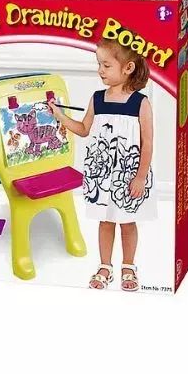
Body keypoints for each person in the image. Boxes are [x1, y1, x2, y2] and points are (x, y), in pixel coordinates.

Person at [48, 38, 157, 291]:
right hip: (103, 174)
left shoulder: (140, 103)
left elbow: (148, 143)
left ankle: (128, 266)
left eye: (106, 65)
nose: (100, 70)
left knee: (127, 222)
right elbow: (84, 129)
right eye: (99, 64)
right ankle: (105, 266)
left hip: (128, 175)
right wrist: (60, 116)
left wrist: (140, 177)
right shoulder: (97, 98)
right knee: (105, 221)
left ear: (128, 68)